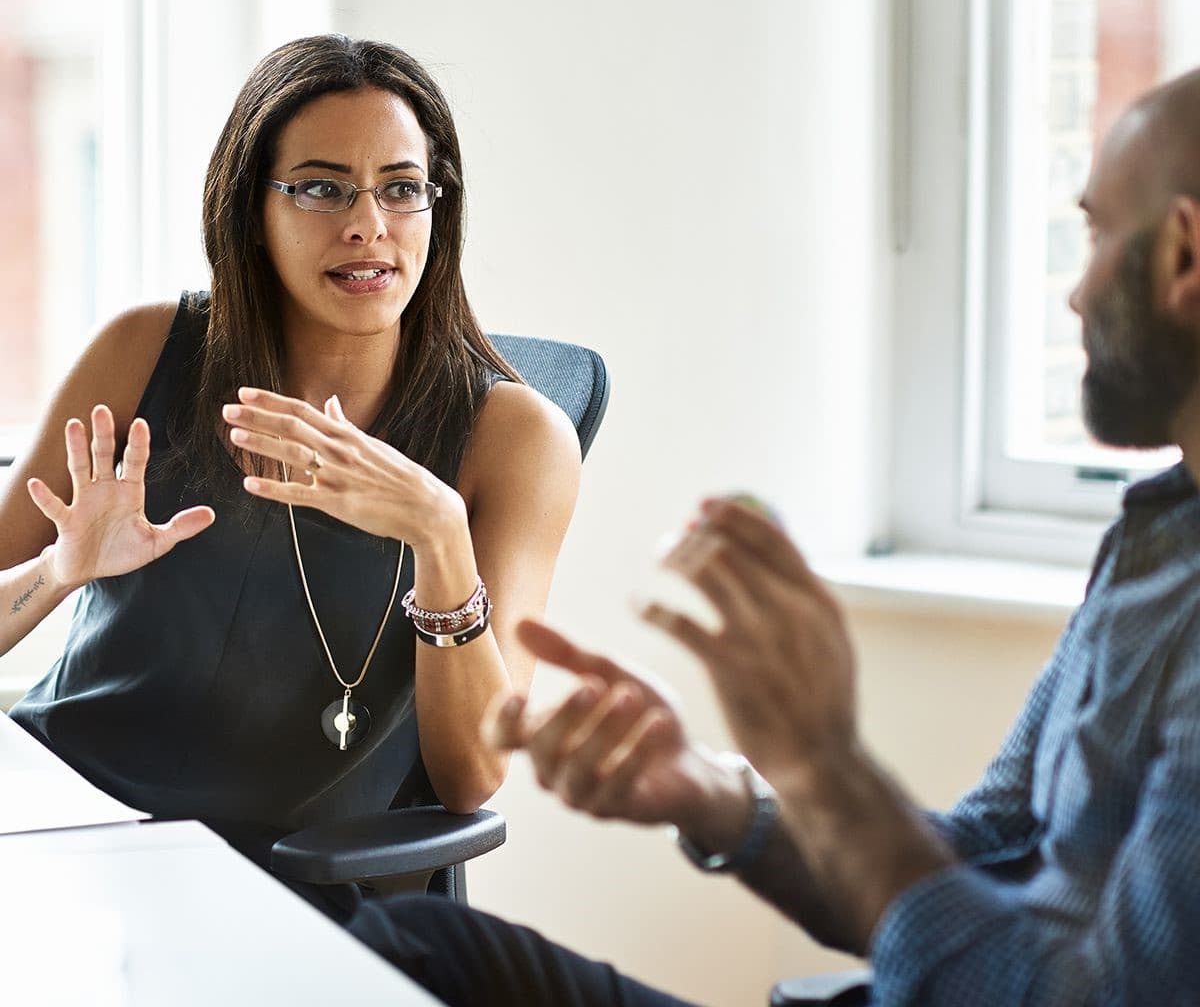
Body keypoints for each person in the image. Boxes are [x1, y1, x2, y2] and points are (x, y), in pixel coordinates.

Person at [344, 68, 1200, 1005]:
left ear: (1182, 259)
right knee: (410, 946)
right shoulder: (1159, 537)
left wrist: (822, 758)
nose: (1075, 296)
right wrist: (710, 795)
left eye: (1099, 233)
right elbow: (978, 864)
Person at [0, 35, 581, 892]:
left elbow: (472, 777)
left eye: (401, 188)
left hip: (289, 882)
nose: (366, 225)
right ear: (252, 210)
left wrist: (440, 537)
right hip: (72, 835)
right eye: (320, 187)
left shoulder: (515, 438)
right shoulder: (141, 350)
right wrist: (58, 570)